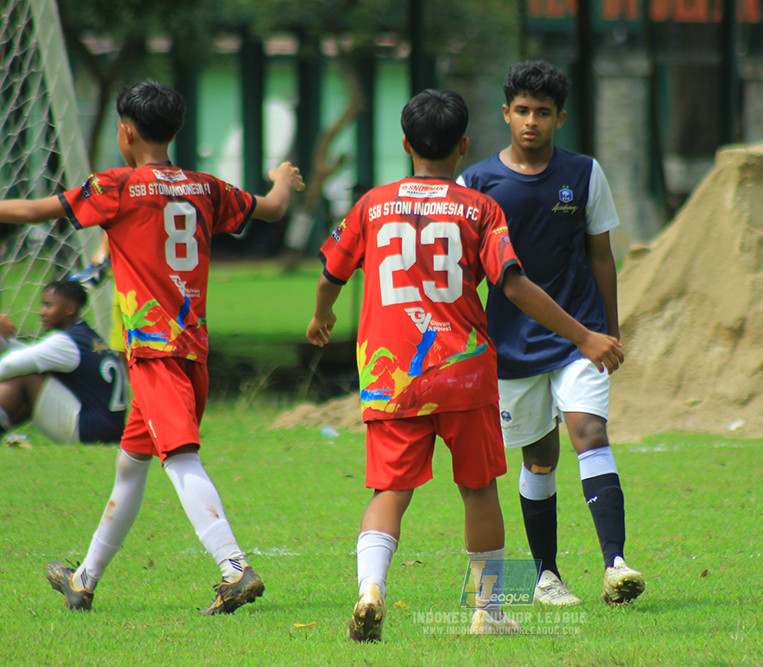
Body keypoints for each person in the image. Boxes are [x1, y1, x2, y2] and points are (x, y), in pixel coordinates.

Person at [306, 89, 622, 642]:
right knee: (478, 489)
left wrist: (321, 318)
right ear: (465, 147)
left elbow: (333, 271)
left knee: (389, 492)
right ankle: (488, 609)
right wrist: (584, 335)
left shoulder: (371, 205)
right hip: (465, 371)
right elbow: (515, 284)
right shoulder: (480, 208)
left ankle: (370, 591)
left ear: (405, 144)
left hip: (392, 374)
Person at [0, 79, 304, 614]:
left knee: (180, 458)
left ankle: (235, 569)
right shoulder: (205, 188)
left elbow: (31, 212)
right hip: (190, 352)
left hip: (154, 352)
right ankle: (84, 579)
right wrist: (281, 178)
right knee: (130, 465)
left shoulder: (115, 186)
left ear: (126, 130)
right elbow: (274, 209)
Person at [458, 61, 645, 606]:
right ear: (505, 113)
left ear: (560, 117)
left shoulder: (584, 173)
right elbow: (470, 274)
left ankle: (615, 565)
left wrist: (606, 330)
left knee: (589, 432)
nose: (531, 122)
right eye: (522, 111)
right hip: (510, 346)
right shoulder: (478, 183)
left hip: (579, 336)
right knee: (539, 457)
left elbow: (601, 256)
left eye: (543, 112)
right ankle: (546, 576)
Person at [0, 279, 126, 444]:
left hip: (90, 431)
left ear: (70, 309)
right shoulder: (83, 336)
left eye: (48, 305)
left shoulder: (65, 342)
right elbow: (24, 353)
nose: (41, 312)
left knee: (27, 379)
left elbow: (10, 364)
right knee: (32, 371)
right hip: (105, 429)